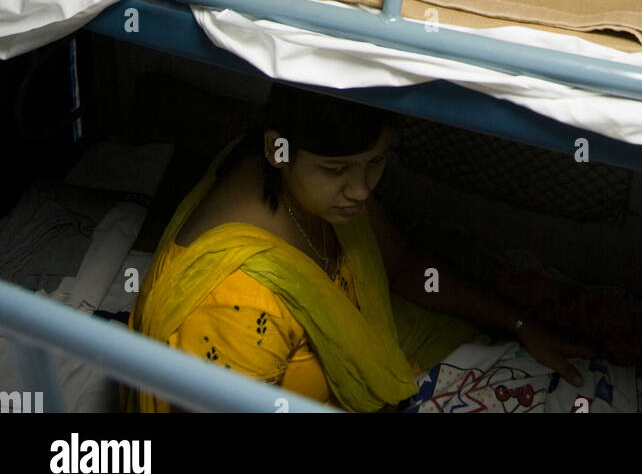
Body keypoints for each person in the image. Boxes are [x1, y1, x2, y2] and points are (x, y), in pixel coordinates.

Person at [125, 86, 590, 413]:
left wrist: (521, 323)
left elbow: (404, 269)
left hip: (405, 363)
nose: (363, 189)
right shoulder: (234, 303)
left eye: (376, 163)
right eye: (338, 169)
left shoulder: (312, 190)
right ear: (277, 150)